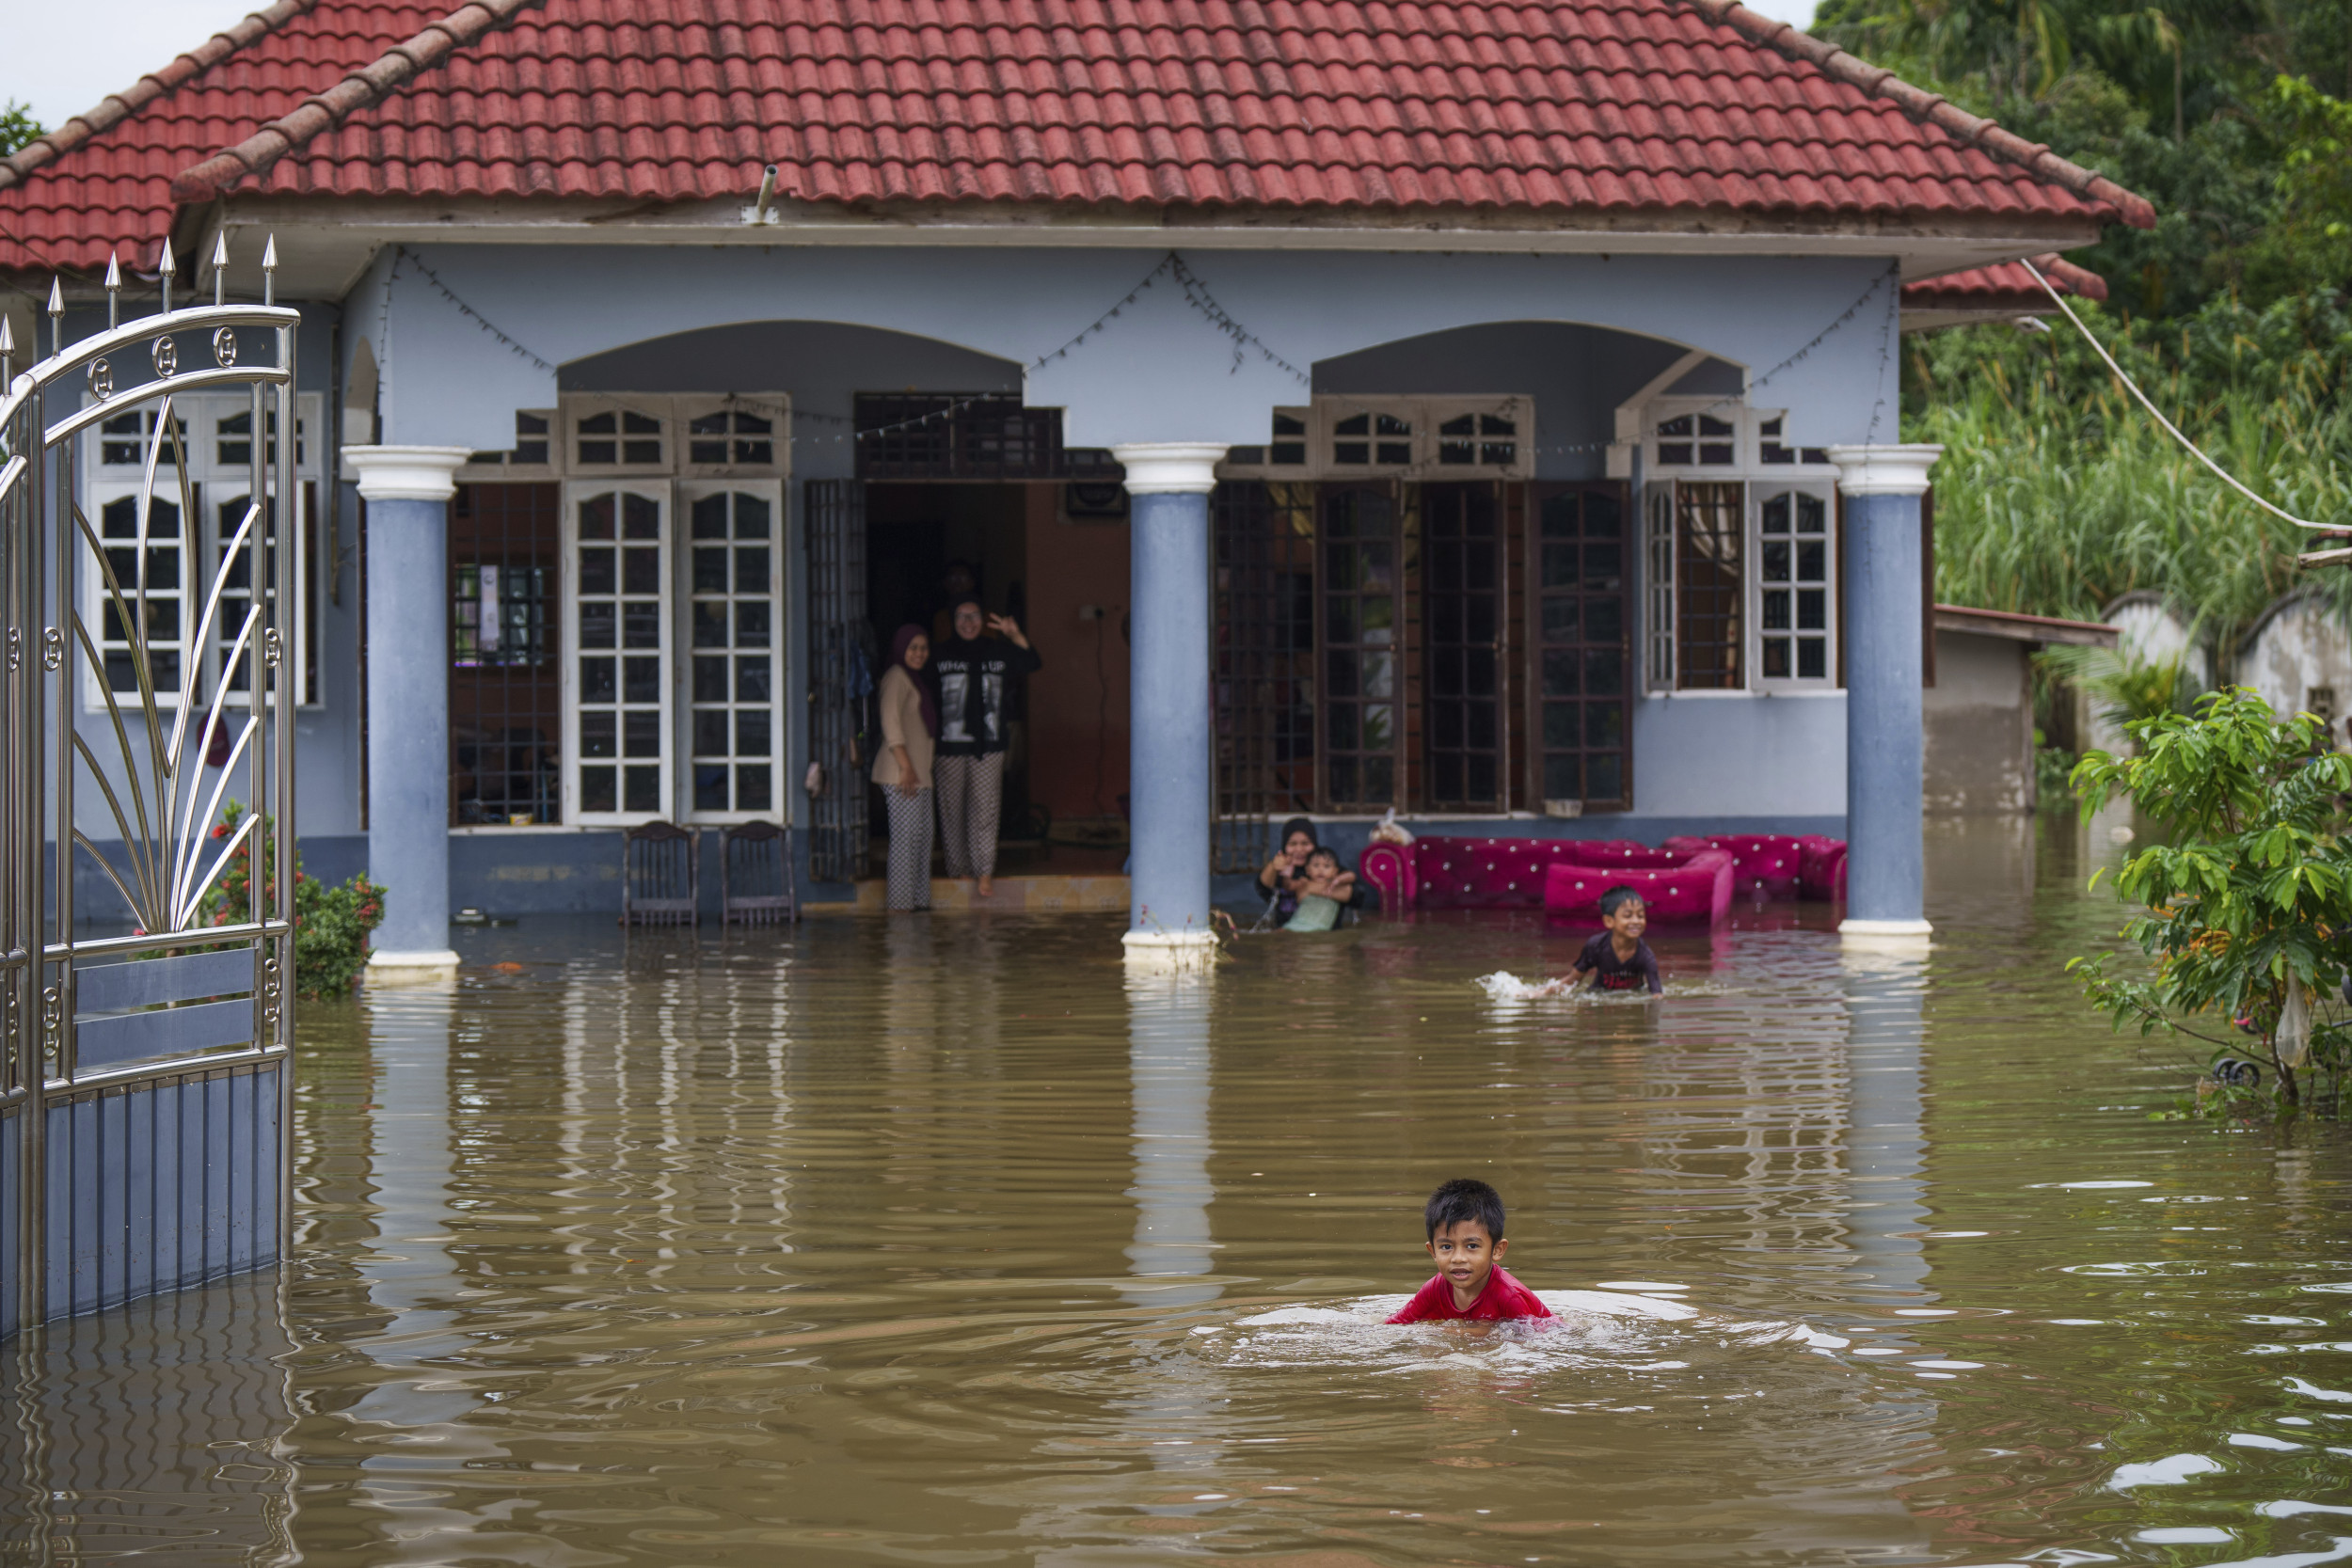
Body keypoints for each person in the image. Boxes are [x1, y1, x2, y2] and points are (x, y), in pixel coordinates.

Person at [929, 597, 1041, 898]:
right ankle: (959, 870)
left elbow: (1032, 662)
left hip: (990, 746)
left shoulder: (999, 652)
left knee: (985, 810)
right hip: (948, 747)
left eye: (974, 616)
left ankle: (984, 873)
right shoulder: (938, 655)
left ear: (983, 620)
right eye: (961, 617)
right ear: (952, 621)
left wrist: (1014, 635)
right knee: (953, 812)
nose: (968, 622)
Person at [1388, 1178, 1553, 1323]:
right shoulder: (1435, 1289)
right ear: (1433, 1252)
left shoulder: (1510, 1297)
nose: (1458, 1258)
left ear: (1497, 1250)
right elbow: (1394, 1326)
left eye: (1472, 1246)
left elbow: (1531, 1342)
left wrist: (1466, 1333)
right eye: (1446, 1247)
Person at [873, 625, 937, 912]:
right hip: (902, 775)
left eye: (923, 648)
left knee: (922, 843)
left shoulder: (914, 680)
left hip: (919, 776)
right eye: (913, 647)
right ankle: (900, 909)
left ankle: (918, 905)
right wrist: (907, 768)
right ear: (900, 649)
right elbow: (891, 725)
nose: (919, 653)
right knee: (906, 843)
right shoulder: (896, 677)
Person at [1256, 816, 1375, 925]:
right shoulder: (1281, 872)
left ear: (1314, 844)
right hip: (1287, 935)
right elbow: (1263, 887)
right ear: (1284, 846)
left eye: (1305, 843)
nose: (1299, 849)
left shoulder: (1328, 868)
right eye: (1292, 844)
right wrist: (1273, 866)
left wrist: (1307, 888)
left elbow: (1357, 895)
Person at [1566, 884, 1663, 995]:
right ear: (1609, 921)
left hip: (1632, 1004)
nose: (1636, 921)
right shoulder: (1596, 946)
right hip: (1598, 999)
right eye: (1628, 916)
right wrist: (1546, 992)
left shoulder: (1646, 956)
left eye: (1640, 916)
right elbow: (1572, 981)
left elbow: (1657, 994)